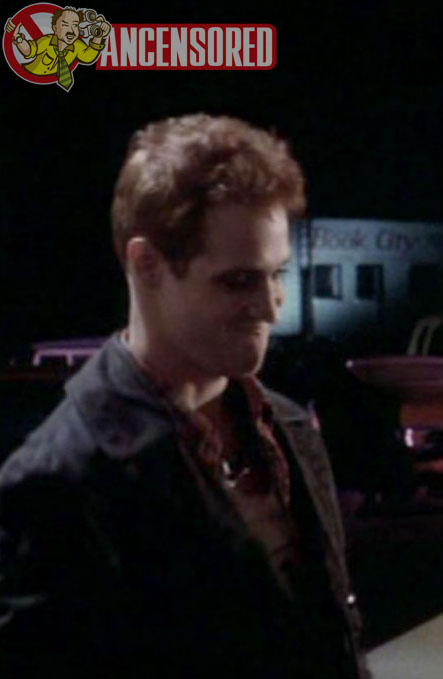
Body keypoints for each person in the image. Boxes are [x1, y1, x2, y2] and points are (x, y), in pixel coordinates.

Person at [0, 114, 367, 678]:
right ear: (146, 265)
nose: (271, 307)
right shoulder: (56, 480)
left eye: (278, 274)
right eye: (239, 281)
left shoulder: (290, 426)